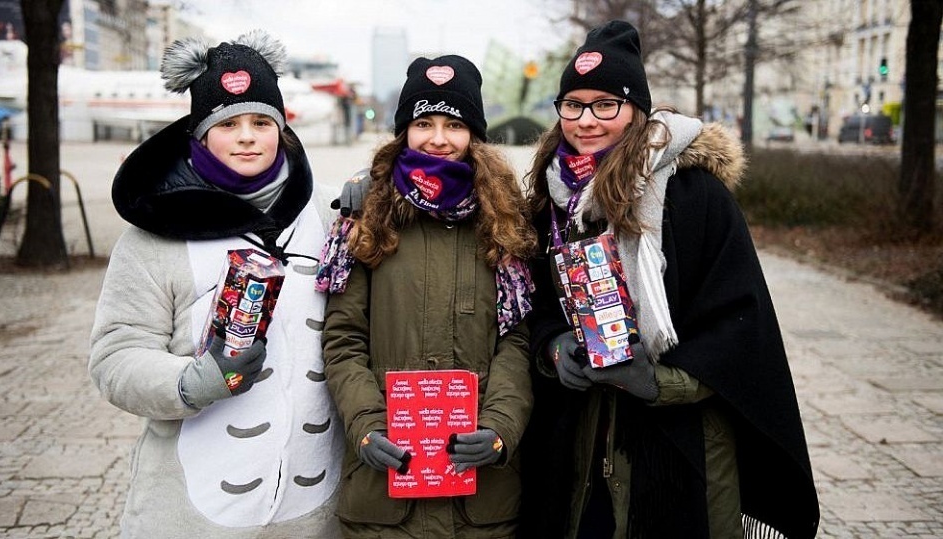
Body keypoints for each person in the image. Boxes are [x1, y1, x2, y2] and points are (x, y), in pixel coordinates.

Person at [517, 20, 819, 539]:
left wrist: (657, 381)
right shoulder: (551, 200)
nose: (586, 120)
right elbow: (535, 302)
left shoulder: (694, 195)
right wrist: (552, 346)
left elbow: (742, 331)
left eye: (605, 103)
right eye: (573, 104)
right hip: (579, 444)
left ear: (636, 109)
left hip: (679, 453)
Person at [89, 30, 343, 538]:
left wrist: (380, 190)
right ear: (200, 135)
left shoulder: (331, 217)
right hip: (194, 512)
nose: (247, 136)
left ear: (282, 130)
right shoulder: (153, 238)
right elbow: (115, 357)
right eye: (227, 123)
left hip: (314, 512)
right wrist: (188, 382)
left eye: (260, 121)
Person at [317, 54, 537, 538]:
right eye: (423, 123)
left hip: (481, 500)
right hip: (385, 496)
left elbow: (516, 341)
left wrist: (500, 425)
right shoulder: (366, 219)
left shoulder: (502, 222)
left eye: (454, 124)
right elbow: (343, 339)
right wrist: (366, 425)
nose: (438, 138)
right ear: (404, 132)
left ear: (474, 136)